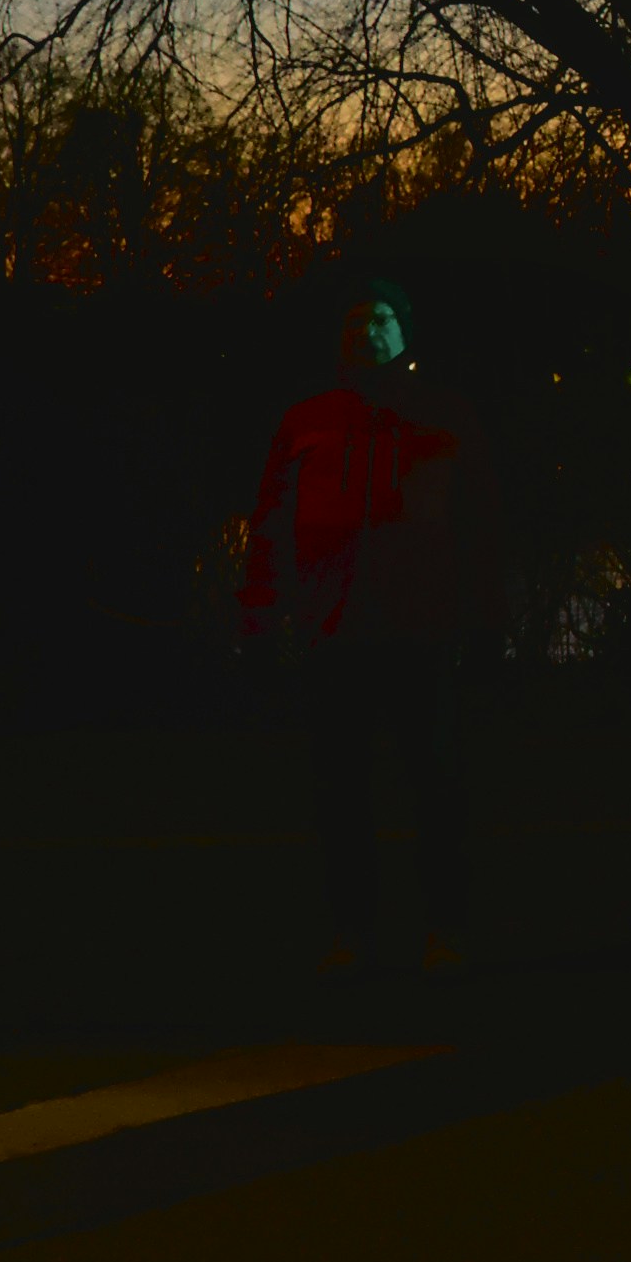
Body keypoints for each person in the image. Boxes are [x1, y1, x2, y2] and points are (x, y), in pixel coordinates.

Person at [244, 281, 496, 974]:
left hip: (420, 626)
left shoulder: (443, 416)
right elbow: (272, 523)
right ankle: (354, 931)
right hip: (337, 628)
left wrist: (480, 612)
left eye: (382, 318)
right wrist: (266, 611)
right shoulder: (309, 419)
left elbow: (480, 522)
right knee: (344, 793)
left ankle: (443, 927)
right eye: (357, 319)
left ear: (405, 332)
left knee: (434, 787)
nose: (368, 330)